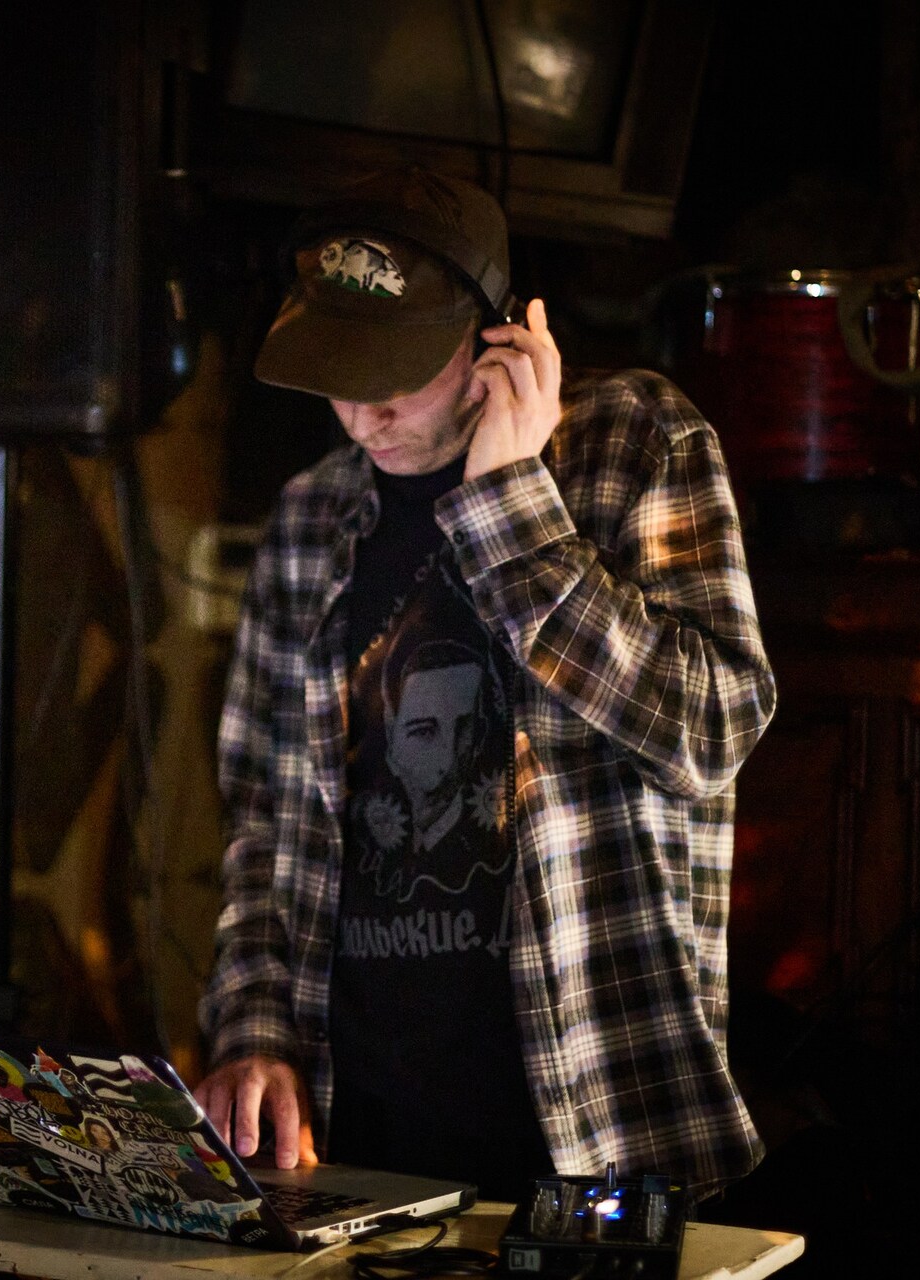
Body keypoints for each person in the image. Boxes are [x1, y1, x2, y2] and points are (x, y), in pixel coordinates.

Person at [192, 168, 776, 1201]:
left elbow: (712, 728)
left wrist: (514, 507)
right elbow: (267, 821)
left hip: (591, 1121)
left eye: (397, 372)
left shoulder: (635, 439)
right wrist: (254, 1029)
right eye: (339, 372)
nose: (364, 412)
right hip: (353, 1122)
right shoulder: (308, 515)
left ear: (498, 339)